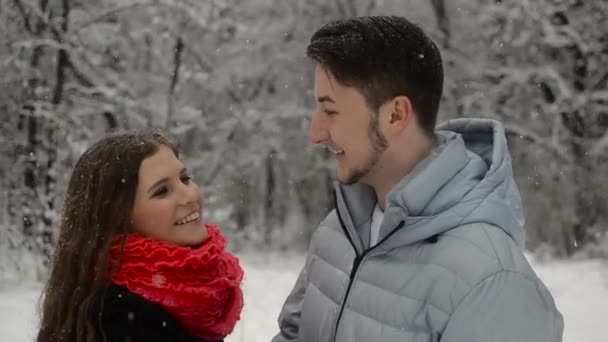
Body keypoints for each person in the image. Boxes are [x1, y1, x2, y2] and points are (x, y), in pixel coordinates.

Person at [272, 16, 563, 342]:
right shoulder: (338, 232)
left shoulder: (492, 282)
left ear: (395, 114)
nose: (315, 133)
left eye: (331, 111)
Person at [37, 130, 243, 342]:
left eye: (185, 178)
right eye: (162, 191)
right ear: (118, 218)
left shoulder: (193, 296)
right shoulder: (117, 319)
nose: (189, 196)